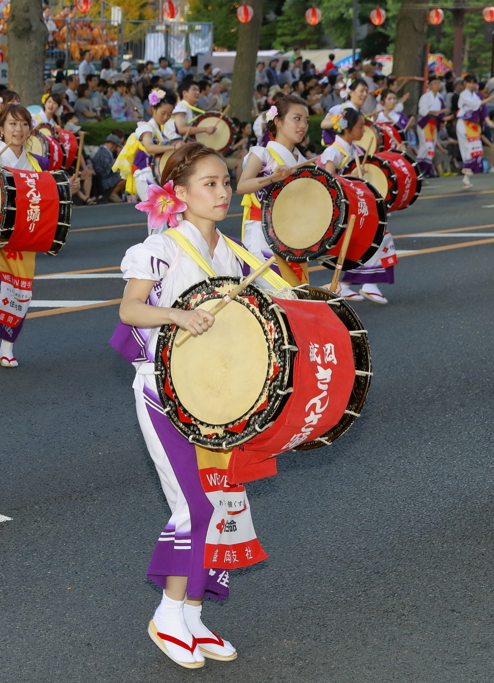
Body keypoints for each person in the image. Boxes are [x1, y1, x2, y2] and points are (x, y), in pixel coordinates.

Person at [115, 142, 288, 670]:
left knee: (216, 504)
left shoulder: (233, 252)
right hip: (163, 393)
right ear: (180, 193)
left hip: (216, 403)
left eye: (224, 182)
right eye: (208, 183)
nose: (221, 191)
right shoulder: (160, 248)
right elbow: (129, 310)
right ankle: (168, 614)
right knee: (192, 505)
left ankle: (192, 615)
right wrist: (177, 317)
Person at [0, 103, 78, 368]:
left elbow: (47, 198)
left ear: (30, 130)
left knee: (19, 293)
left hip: (23, 237)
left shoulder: (38, 163)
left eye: (23, 124)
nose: (18, 130)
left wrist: (67, 188)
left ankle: (8, 346)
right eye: (12, 123)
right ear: (0, 129)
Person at [318, 108, 397, 303]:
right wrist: (349, 179)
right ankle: (367, 285)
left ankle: (347, 285)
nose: (363, 131)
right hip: (342, 209)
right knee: (376, 237)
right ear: (347, 129)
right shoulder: (334, 151)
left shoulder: (354, 149)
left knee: (365, 243)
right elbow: (328, 181)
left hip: (354, 205)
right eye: (360, 127)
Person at [236, 95, 311, 285]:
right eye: (297, 118)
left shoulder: (302, 160)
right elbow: (242, 186)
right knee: (272, 295)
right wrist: (271, 178)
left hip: (292, 237)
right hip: (262, 235)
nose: (303, 125)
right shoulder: (262, 154)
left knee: (292, 296)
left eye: (306, 120)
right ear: (277, 121)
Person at [114, 88, 181, 205]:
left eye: (169, 115)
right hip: (145, 176)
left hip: (154, 175)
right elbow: (149, 147)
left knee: (162, 214)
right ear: (153, 109)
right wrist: (174, 148)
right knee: (158, 213)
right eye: (163, 113)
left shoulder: (159, 130)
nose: (165, 117)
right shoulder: (146, 128)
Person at [455, 74, 494, 189]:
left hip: (474, 126)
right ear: (465, 83)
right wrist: (491, 98)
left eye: (473, 83)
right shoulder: (463, 95)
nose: (471, 85)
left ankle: (466, 179)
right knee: (467, 148)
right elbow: (474, 105)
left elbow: (484, 111)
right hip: (463, 124)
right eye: (469, 82)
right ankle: (467, 169)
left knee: (476, 149)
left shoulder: (478, 96)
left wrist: (488, 121)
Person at [320, 78, 368, 146]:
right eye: (362, 91)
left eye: (366, 91)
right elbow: (323, 124)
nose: (365, 94)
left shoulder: (362, 113)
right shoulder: (340, 109)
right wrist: (342, 119)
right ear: (351, 92)